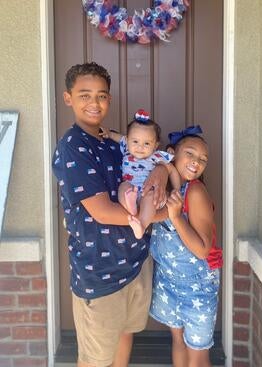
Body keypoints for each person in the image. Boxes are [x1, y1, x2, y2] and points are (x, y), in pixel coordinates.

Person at [52, 62, 169, 367]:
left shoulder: (112, 143)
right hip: (99, 274)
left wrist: (159, 170)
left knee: (125, 336)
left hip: (134, 264)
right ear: (68, 98)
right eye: (84, 95)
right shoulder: (72, 147)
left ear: (110, 99)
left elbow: (146, 161)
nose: (94, 103)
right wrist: (164, 214)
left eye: (101, 96)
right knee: (95, 359)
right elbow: (103, 212)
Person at [149, 126, 223, 367]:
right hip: (168, 281)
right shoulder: (168, 188)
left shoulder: (196, 191)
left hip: (196, 288)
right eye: (190, 154)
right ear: (173, 153)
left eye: (203, 159)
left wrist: (176, 216)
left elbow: (202, 249)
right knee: (178, 342)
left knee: (198, 353)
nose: (196, 162)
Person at [100, 109, 180, 239]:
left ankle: (141, 225)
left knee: (150, 197)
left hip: (149, 192)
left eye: (147, 143)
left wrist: (176, 190)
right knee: (123, 187)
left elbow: (172, 170)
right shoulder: (126, 149)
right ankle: (131, 207)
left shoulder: (157, 156)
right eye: (135, 141)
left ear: (155, 145)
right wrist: (108, 133)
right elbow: (119, 137)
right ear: (128, 141)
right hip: (131, 187)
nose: (140, 147)